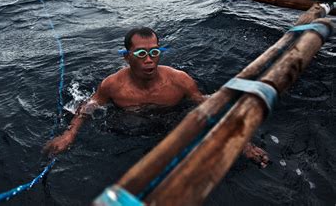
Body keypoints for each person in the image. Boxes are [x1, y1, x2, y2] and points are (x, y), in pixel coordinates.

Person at [43, 27, 269, 167]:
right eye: (141, 53)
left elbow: (209, 107)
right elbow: (87, 106)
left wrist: (244, 143)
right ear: (127, 57)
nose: (149, 59)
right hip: (128, 128)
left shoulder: (179, 80)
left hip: (173, 120)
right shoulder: (112, 85)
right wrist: (69, 135)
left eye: (154, 52)